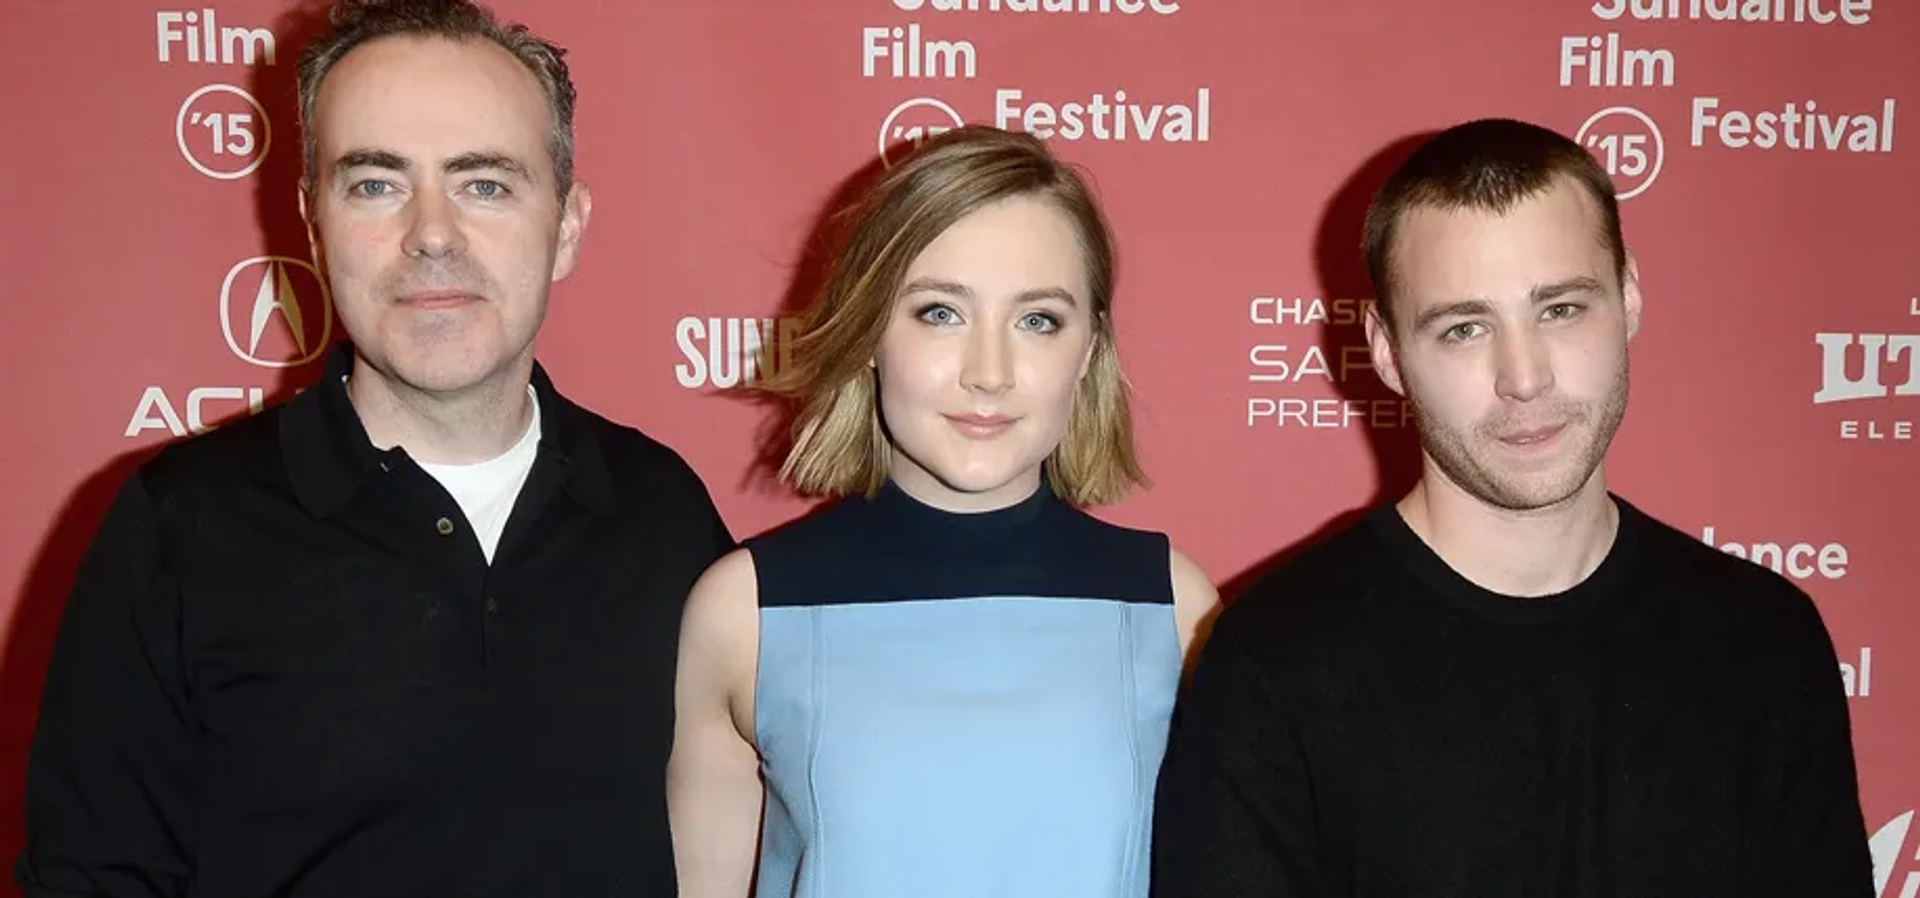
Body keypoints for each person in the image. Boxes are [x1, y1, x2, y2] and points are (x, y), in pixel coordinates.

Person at [15, 1, 733, 895]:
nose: (432, 233)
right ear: (313, 225)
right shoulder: (179, 527)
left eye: (485, 183)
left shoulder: (664, 515)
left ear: (569, 228)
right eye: (376, 184)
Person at [1149, 117, 1875, 896]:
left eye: (1561, 309)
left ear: (1628, 299)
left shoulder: (1765, 642)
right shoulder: (1271, 664)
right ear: (1387, 351)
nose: (1523, 377)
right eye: (1464, 328)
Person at [666, 125, 1220, 898]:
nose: (988, 373)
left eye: (1038, 321)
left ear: (1089, 349)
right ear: (869, 332)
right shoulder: (745, 612)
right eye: (939, 313)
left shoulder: (1173, 608)